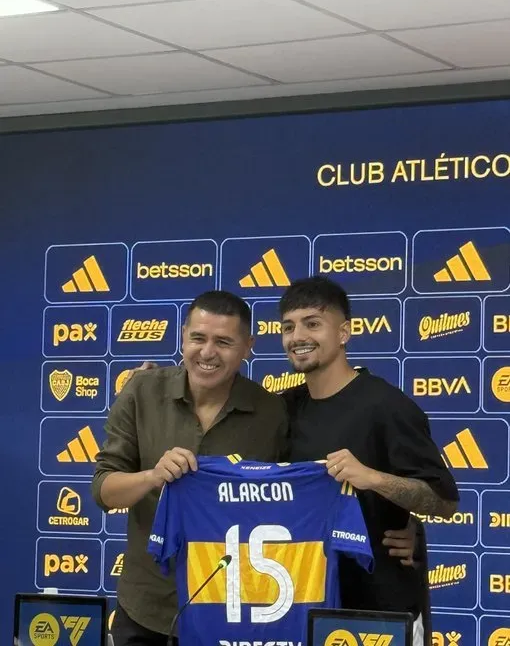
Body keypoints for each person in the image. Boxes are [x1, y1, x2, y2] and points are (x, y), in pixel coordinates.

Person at [91, 291, 289, 645]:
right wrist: (153, 476)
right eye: (198, 338)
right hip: (145, 607)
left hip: (230, 612)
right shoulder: (141, 391)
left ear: (248, 346)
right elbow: (103, 491)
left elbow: (293, 504)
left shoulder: (272, 414)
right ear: (183, 336)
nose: (207, 352)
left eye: (224, 342)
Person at [278, 276, 460, 646]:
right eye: (288, 326)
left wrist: (373, 478)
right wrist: (151, 384)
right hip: (305, 599)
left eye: (313, 323)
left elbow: (443, 501)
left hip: (382, 606)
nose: (298, 336)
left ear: (343, 332)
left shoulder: (387, 406)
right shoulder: (283, 408)